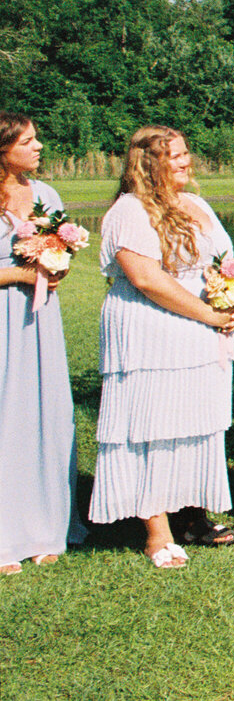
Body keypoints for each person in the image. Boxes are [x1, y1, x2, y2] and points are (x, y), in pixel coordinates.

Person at [89, 127, 234, 568]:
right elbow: (145, 279)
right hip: (151, 331)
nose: (185, 161)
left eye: (185, 153)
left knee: (196, 422)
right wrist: (208, 313)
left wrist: (233, 299)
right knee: (150, 425)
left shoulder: (196, 204)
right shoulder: (128, 211)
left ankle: (192, 515)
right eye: (174, 156)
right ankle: (157, 533)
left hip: (200, 328)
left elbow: (223, 262)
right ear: (147, 163)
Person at [0, 113, 87, 575]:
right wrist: (19, 273)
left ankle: (44, 524)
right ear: (3, 148)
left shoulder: (47, 195)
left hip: (38, 320)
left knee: (43, 413)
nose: (39, 147)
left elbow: (62, 251)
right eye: (29, 141)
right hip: (1, 317)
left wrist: (57, 266)